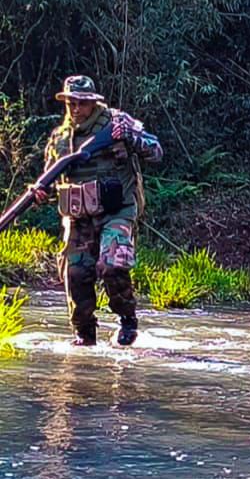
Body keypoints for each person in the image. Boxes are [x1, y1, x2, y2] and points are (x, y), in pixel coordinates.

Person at [34, 75, 163, 347]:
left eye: (82, 103)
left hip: (117, 211)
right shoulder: (60, 139)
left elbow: (156, 151)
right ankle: (84, 335)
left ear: (93, 103)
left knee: (112, 264)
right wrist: (41, 193)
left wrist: (130, 137)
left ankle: (127, 320)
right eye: (71, 103)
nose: (76, 109)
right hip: (78, 218)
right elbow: (50, 179)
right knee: (75, 275)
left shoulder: (117, 123)